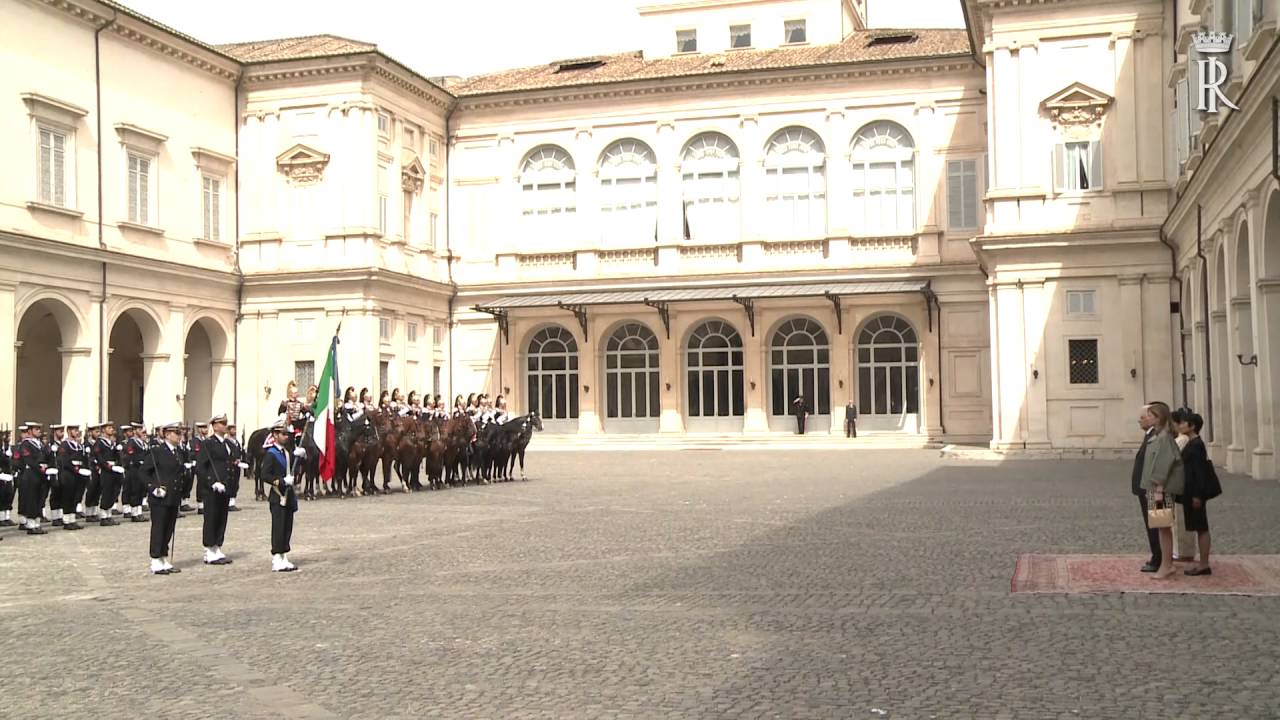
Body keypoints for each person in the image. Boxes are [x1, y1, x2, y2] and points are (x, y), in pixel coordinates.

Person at [1139, 402, 1185, 580]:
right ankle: (1167, 564)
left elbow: (1163, 464)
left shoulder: (1164, 438)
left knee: (1163, 527)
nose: (1147, 417)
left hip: (1160, 490)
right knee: (1161, 527)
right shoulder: (1159, 436)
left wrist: (1158, 487)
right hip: (1156, 488)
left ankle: (1166, 565)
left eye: (1151, 415)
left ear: (1159, 418)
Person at [1177, 412, 1220, 576]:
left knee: (1202, 527)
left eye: (1183, 423)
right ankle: (1202, 563)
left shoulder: (1196, 445)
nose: (1180, 426)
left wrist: (1197, 495)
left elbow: (1199, 472)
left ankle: (1204, 564)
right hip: (1190, 491)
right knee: (1198, 527)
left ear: (1192, 426)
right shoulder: (1191, 442)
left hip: (1195, 492)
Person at [142, 423, 185, 576]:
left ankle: (163, 557)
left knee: (168, 528)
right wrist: (153, 488)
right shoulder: (157, 452)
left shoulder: (178, 452)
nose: (179, 436)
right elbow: (144, 473)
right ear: (167, 435)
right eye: (176, 433)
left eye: (179, 433)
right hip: (160, 497)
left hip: (173, 496)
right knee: (159, 527)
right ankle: (155, 558)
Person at [259, 422, 300, 572]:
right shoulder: (271, 454)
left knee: (287, 526)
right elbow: (264, 475)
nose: (286, 437)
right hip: (278, 495)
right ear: (275, 435)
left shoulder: (286, 453)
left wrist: (300, 457)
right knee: (278, 527)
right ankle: (276, 557)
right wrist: (282, 481)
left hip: (288, 496)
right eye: (283, 434)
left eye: (287, 434)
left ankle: (284, 555)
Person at [197, 414, 235, 565]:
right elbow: (201, 467)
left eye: (226, 423)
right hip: (212, 488)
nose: (225, 425)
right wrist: (212, 482)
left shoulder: (226, 444)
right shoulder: (208, 444)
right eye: (222, 423)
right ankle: (208, 549)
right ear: (214, 426)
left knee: (221, 517)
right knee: (211, 518)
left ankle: (217, 546)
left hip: (224, 487)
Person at [16, 422, 51, 535]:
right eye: (36, 429)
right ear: (30, 431)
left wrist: (47, 466)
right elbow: (28, 460)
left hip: (40, 475)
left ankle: (37, 523)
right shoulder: (25, 444)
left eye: (39, 429)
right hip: (31, 474)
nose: (39, 431)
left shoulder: (40, 444)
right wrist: (40, 467)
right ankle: (31, 525)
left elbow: (46, 457)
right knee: (31, 499)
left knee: (39, 499)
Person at [55, 423, 89, 530]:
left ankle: (72, 519)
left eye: (77, 430)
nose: (77, 432)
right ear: (69, 431)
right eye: (75, 430)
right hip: (68, 473)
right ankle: (66, 520)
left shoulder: (78, 445)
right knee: (68, 497)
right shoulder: (65, 445)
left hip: (78, 473)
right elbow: (64, 460)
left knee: (75, 496)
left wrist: (83, 468)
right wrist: (75, 469)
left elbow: (83, 459)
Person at [226, 422, 246, 512]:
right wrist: (232, 461)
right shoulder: (226, 442)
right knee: (230, 484)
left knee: (235, 484)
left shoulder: (236, 442)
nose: (234, 431)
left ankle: (232, 502)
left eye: (235, 429)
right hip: (230, 467)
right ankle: (229, 503)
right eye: (232, 429)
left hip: (237, 467)